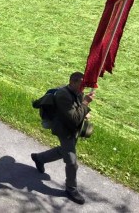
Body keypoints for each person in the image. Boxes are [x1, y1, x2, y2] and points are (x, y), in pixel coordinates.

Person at [30, 72, 95, 205]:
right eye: (81, 84)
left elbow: (77, 110)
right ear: (72, 82)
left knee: (63, 151)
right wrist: (85, 103)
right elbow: (74, 119)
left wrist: (84, 111)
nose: (83, 87)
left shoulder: (78, 91)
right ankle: (71, 189)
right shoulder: (63, 95)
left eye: (84, 85)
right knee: (72, 162)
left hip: (72, 129)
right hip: (64, 130)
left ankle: (39, 158)